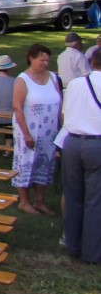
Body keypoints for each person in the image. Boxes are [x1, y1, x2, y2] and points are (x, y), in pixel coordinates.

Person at [56, 44, 101, 263]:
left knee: (73, 196)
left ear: (91, 63)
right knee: (95, 200)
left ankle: (72, 246)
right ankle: (92, 252)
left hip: (72, 142)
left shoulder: (75, 84)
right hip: (96, 144)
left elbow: (64, 115)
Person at [11, 44, 62, 216]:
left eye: (47, 60)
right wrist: (26, 133)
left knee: (45, 161)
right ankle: (24, 201)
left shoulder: (53, 78)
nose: (45, 63)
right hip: (29, 129)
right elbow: (17, 107)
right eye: (42, 59)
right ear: (31, 58)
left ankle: (40, 201)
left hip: (49, 131)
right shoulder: (22, 79)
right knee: (26, 161)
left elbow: (59, 101)